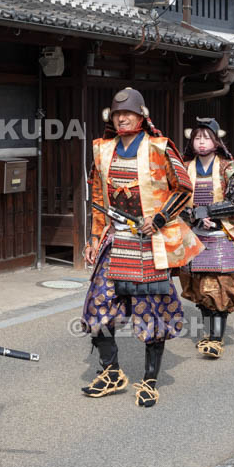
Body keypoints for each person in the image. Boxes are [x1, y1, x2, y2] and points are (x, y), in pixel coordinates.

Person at [79, 88, 201, 407]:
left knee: (152, 314)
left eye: (128, 113)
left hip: (149, 243)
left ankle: (149, 380)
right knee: (97, 309)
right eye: (117, 113)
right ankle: (111, 372)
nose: (122, 118)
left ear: (141, 116)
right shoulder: (102, 150)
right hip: (114, 239)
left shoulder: (159, 147)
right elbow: (96, 197)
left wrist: (159, 217)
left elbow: (184, 187)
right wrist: (93, 239)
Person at [177, 118, 234, 359]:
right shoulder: (184, 166)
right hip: (193, 234)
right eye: (197, 137)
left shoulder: (228, 167)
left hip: (223, 233)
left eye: (206, 137)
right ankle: (207, 333)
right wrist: (193, 215)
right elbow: (175, 200)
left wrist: (207, 212)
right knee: (198, 286)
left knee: (221, 286)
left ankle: (216, 339)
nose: (201, 142)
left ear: (216, 140)